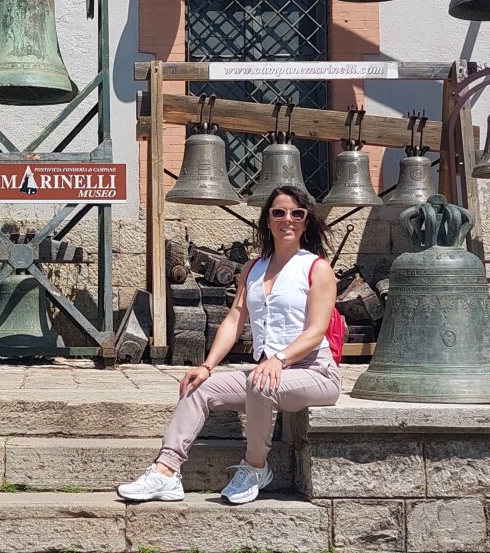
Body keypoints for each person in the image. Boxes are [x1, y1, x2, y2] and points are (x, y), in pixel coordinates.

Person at [118, 183, 342, 506]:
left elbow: (317, 331)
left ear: (306, 221)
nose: (287, 220)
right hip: (269, 372)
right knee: (198, 388)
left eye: (297, 214)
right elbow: (235, 319)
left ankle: (255, 467)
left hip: (316, 373)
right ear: (268, 220)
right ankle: (166, 472)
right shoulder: (253, 269)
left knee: (260, 383)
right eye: (279, 213)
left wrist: (278, 359)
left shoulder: (317, 269)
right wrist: (207, 366)